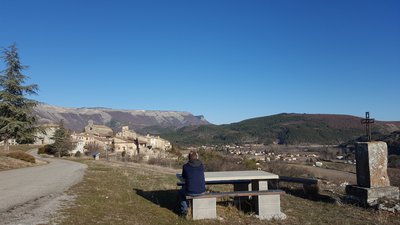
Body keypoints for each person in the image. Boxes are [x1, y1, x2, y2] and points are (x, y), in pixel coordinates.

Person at [178, 151, 206, 216]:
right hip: (202, 191)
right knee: (188, 188)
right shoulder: (201, 165)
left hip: (191, 191)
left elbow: (184, 177)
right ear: (197, 157)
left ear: (189, 158)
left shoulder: (185, 166)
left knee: (181, 193)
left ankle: (184, 210)